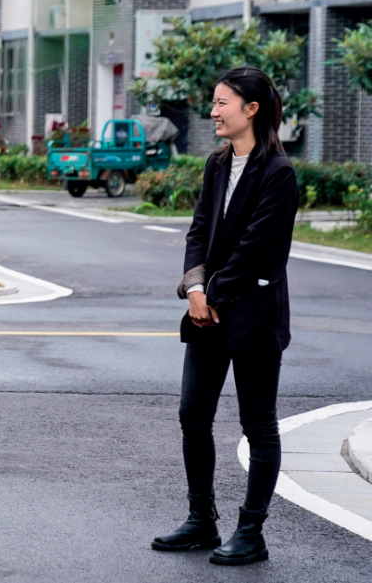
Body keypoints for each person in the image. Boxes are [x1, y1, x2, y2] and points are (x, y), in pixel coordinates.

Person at [152, 66, 299, 566]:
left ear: (251, 109)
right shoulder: (217, 164)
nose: (213, 112)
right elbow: (198, 232)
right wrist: (195, 289)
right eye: (213, 102)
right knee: (193, 415)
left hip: (253, 316)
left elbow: (257, 248)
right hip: (206, 314)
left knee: (258, 425)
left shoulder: (278, 172)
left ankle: (251, 532)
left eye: (221, 102)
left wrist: (211, 292)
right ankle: (201, 520)